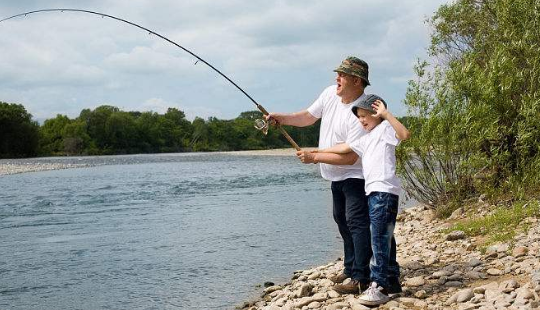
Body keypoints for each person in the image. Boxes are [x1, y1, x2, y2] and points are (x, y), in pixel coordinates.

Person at [266, 56, 372, 294]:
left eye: (342, 75)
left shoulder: (362, 110)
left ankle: (361, 278)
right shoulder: (329, 94)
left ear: (357, 80)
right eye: (338, 74)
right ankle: (350, 267)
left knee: (356, 224)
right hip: (336, 177)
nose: (337, 78)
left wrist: (313, 156)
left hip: (357, 176)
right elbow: (307, 117)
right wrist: (281, 118)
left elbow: (350, 157)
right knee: (342, 221)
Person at [318, 94, 410, 306]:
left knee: (378, 240)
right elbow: (344, 148)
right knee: (381, 237)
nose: (361, 120)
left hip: (384, 192)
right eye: (358, 117)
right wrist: (315, 153)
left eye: (363, 116)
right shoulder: (366, 138)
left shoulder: (385, 129)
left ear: (376, 113)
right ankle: (392, 280)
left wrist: (387, 115)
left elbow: (404, 134)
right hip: (373, 193)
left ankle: (379, 286)